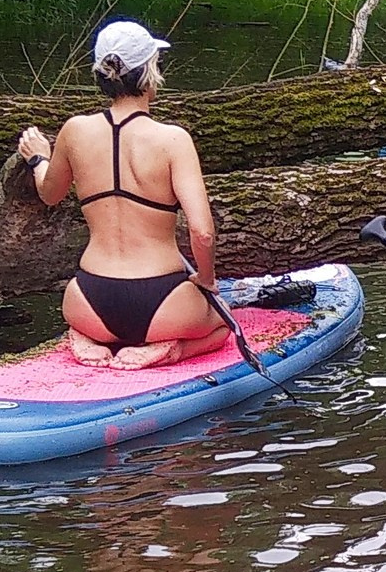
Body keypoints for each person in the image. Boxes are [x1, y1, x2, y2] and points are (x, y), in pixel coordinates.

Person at [15, 20, 228, 370]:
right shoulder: (173, 139)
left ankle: (86, 336)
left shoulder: (74, 131)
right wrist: (205, 280)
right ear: (148, 72)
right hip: (165, 303)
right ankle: (172, 351)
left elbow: (49, 194)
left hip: (88, 299)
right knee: (222, 326)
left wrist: (39, 158)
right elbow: (202, 231)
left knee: (90, 321)